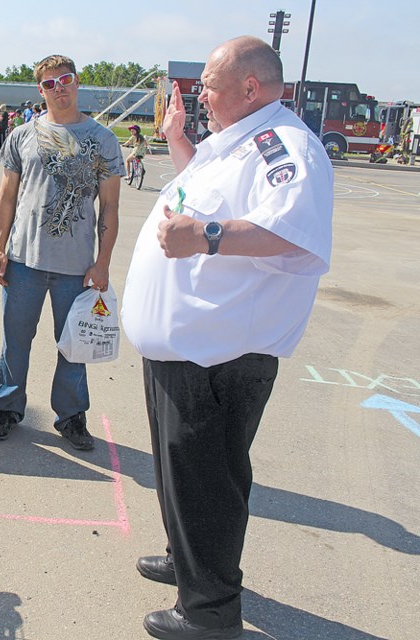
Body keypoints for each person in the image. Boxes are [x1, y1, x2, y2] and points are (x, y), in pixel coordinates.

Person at [120, 36, 333, 640]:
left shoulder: (285, 147)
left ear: (251, 88)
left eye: (210, 84)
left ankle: (209, 612)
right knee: (180, 469)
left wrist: (207, 235)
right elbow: (205, 192)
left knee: (208, 481)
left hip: (218, 358)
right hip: (184, 350)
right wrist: (177, 140)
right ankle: (188, 559)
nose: (201, 93)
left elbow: (295, 236)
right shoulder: (234, 142)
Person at [0, 54, 123, 451]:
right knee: (16, 339)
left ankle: (71, 416)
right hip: (23, 261)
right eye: (50, 83)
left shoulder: (103, 140)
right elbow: (6, 197)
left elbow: (110, 207)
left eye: (66, 79)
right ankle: (8, 407)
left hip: (77, 267)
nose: (59, 87)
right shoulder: (21, 135)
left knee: (74, 345)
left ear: (77, 82)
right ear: (40, 90)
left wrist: (102, 263)